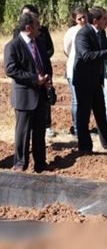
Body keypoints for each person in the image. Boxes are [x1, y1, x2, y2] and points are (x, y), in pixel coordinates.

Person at [4, 12, 55, 172]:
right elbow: (11, 70)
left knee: (39, 132)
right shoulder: (13, 46)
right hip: (24, 96)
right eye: (37, 25)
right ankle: (20, 164)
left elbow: (46, 64)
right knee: (23, 133)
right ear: (28, 27)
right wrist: (34, 79)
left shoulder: (39, 42)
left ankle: (40, 164)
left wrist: (48, 79)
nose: (40, 27)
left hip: (40, 95)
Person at [73, 6, 107, 153]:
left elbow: (102, 53)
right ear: (95, 21)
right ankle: (85, 147)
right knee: (84, 115)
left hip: (95, 79)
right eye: (105, 19)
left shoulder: (101, 33)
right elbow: (86, 56)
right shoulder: (83, 34)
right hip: (84, 80)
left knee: (100, 112)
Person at [13, 4, 55, 138]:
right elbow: (12, 66)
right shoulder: (15, 39)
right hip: (27, 84)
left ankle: (46, 127)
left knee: (39, 129)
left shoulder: (40, 37)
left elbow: (49, 51)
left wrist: (46, 73)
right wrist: (33, 75)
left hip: (42, 79)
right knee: (24, 132)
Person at [63, 6, 88, 136]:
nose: (83, 20)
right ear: (75, 19)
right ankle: (77, 128)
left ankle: (84, 127)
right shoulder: (71, 32)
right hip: (73, 70)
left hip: (87, 71)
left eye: (84, 17)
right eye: (79, 18)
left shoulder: (91, 30)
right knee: (76, 100)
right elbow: (66, 49)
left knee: (85, 100)